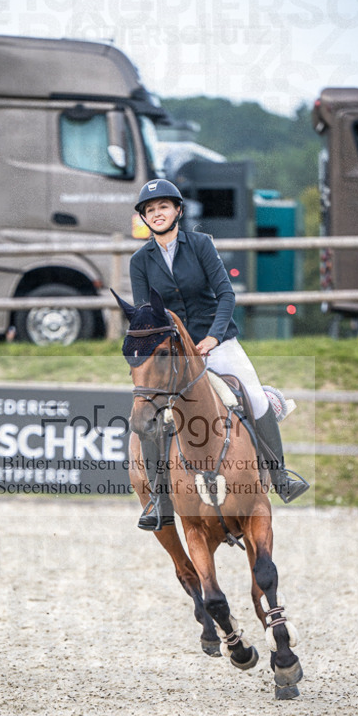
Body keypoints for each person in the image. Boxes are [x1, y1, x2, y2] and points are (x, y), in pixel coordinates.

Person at [129, 178, 309, 531]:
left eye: (163, 207)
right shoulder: (140, 260)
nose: (157, 213)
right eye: (150, 210)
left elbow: (226, 295)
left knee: (255, 397)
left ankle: (280, 475)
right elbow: (144, 314)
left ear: (177, 210)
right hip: (175, 356)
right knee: (150, 415)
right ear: (145, 218)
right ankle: (158, 501)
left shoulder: (200, 245)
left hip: (219, 343)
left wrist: (212, 337)